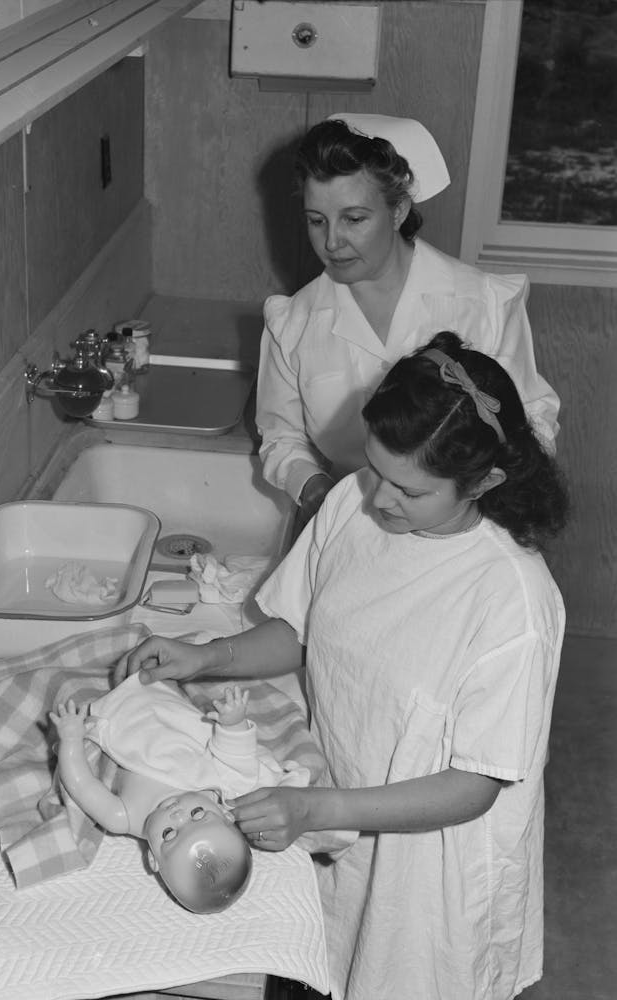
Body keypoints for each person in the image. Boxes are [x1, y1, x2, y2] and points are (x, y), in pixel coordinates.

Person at [115, 331, 570, 1000]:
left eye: (409, 490)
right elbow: (302, 631)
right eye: (376, 468)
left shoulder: (511, 603)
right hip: (332, 810)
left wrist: (320, 806)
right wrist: (206, 658)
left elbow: (475, 785)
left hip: (430, 873)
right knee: (320, 964)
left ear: (484, 481)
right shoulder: (352, 507)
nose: (379, 498)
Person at [256, 113, 561, 528]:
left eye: (354, 219)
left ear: (398, 209)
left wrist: (470, 511)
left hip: (462, 531)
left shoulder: (484, 303)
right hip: (349, 522)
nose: (331, 242)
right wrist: (316, 491)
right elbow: (282, 437)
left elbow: (532, 424)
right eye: (316, 220)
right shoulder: (292, 323)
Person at [49, 677, 309, 913]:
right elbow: (237, 755)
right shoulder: (216, 786)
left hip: (117, 715)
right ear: (225, 814)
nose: (178, 815)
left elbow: (81, 784)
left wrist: (71, 740)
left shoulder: (124, 816)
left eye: (169, 834)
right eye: (198, 814)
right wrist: (234, 722)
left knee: (73, 692)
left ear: (153, 858)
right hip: (165, 702)